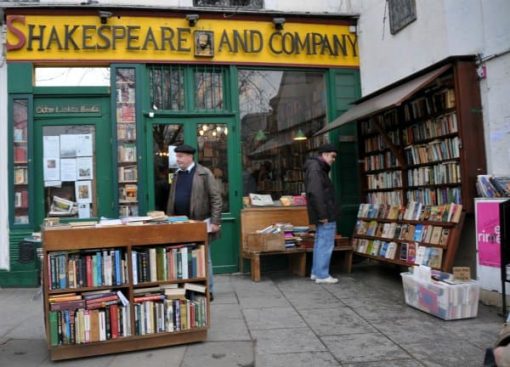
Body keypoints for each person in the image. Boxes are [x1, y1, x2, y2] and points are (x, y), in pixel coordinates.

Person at [166, 144, 222, 300]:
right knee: (183, 256)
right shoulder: (177, 174)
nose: (178, 160)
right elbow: (172, 198)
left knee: (204, 257)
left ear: (190, 157)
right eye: (177, 157)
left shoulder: (204, 173)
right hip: (179, 223)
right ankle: (189, 288)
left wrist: (215, 221)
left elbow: (216, 198)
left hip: (200, 223)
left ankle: (207, 290)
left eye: (181, 157)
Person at [304, 143, 339, 284]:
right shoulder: (316, 168)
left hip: (324, 212)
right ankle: (322, 275)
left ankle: (316, 272)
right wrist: (323, 214)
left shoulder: (316, 168)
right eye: (333, 156)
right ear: (324, 154)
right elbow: (316, 193)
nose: (334, 159)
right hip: (326, 213)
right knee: (325, 243)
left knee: (320, 243)